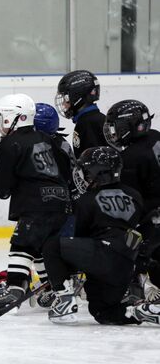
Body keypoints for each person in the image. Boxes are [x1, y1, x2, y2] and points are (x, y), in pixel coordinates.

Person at [41, 146, 160, 325]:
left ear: (95, 173)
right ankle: (140, 311)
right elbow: (142, 229)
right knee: (102, 312)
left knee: (52, 246)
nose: (83, 175)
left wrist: (61, 275)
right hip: (126, 264)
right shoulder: (134, 195)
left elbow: (79, 237)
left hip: (101, 254)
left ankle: (64, 301)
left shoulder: (86, 200)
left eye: (86, 172)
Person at [0, 94, 70, 309]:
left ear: (18, 118)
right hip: (60, 202)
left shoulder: (10, 143)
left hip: (36, 204)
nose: (0, 123)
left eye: (2, 117)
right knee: (42, 248)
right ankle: (53, 287)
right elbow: (64, 167)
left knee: (21, 245)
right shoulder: (45, 137)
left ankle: (15, 289)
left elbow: (3, 184)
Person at [104, 100, 160, 304]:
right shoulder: (156, 136)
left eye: (116, 127)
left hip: (153, 217)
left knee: (130, 246)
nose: (113, 132)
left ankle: (134, 287)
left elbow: (130, 201)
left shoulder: (131, 156)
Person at [55, 70, 107, 158]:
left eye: (66, 99)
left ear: (77, 97)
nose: (63, 104)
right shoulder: (94, 119)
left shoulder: (87, 124)